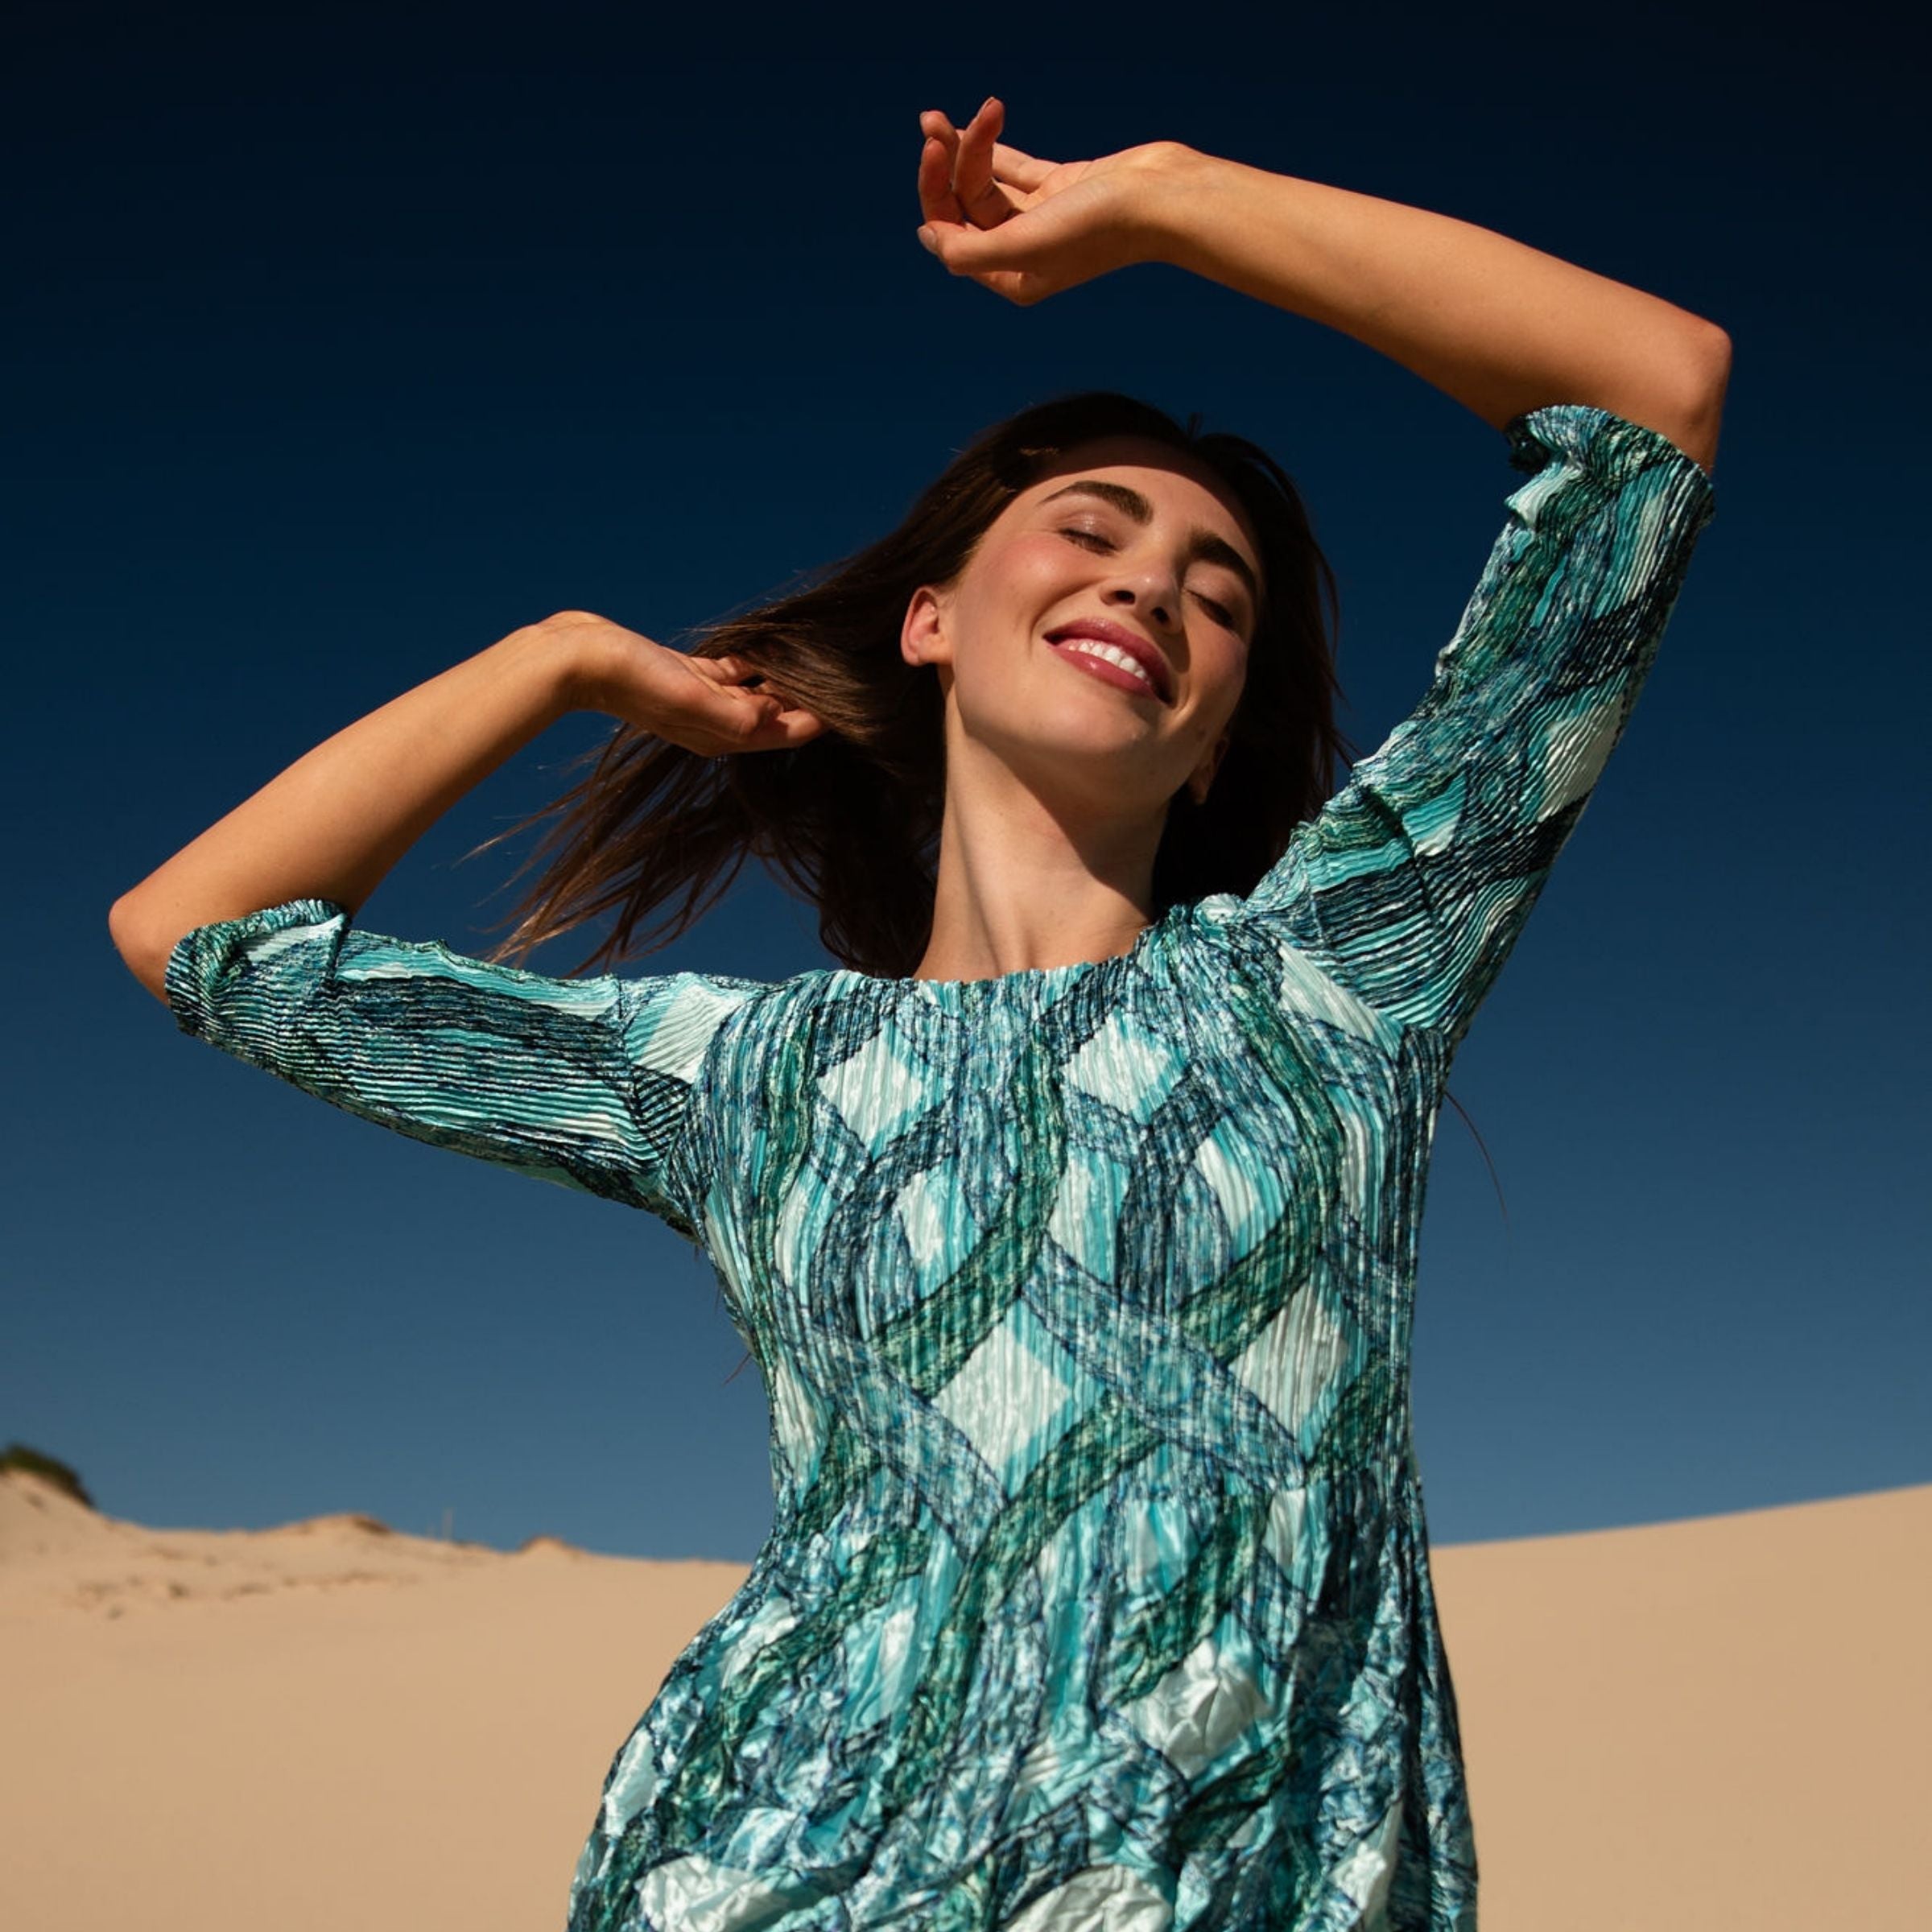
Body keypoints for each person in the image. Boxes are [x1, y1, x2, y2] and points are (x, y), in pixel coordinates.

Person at [109, 97, 1728, 1932]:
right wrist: (556, 660)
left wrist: (1170, 203)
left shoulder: (1343, 971)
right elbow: (195, 935)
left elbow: (1654, 398)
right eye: (1090, 529)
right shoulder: (734, 1076)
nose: (1151, 583)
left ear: (1217, 743)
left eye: (1220, 598)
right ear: (932, 621)